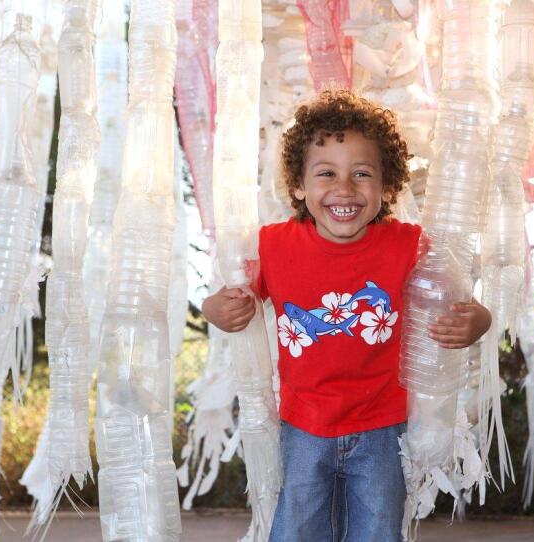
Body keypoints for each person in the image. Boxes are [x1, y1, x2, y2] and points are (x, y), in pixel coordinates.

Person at [202, 89, 491, 542]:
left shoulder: (408, 245)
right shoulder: (274, 245)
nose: (344, 189)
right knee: (296, 530)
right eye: (325, 174)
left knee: (377, 532)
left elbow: (461, 303)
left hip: (382, 426)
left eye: (362, 173)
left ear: (387, 185)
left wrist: (477, 321)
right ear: (298, 186)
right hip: (304, 425)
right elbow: (229, 298)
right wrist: (214, 309)